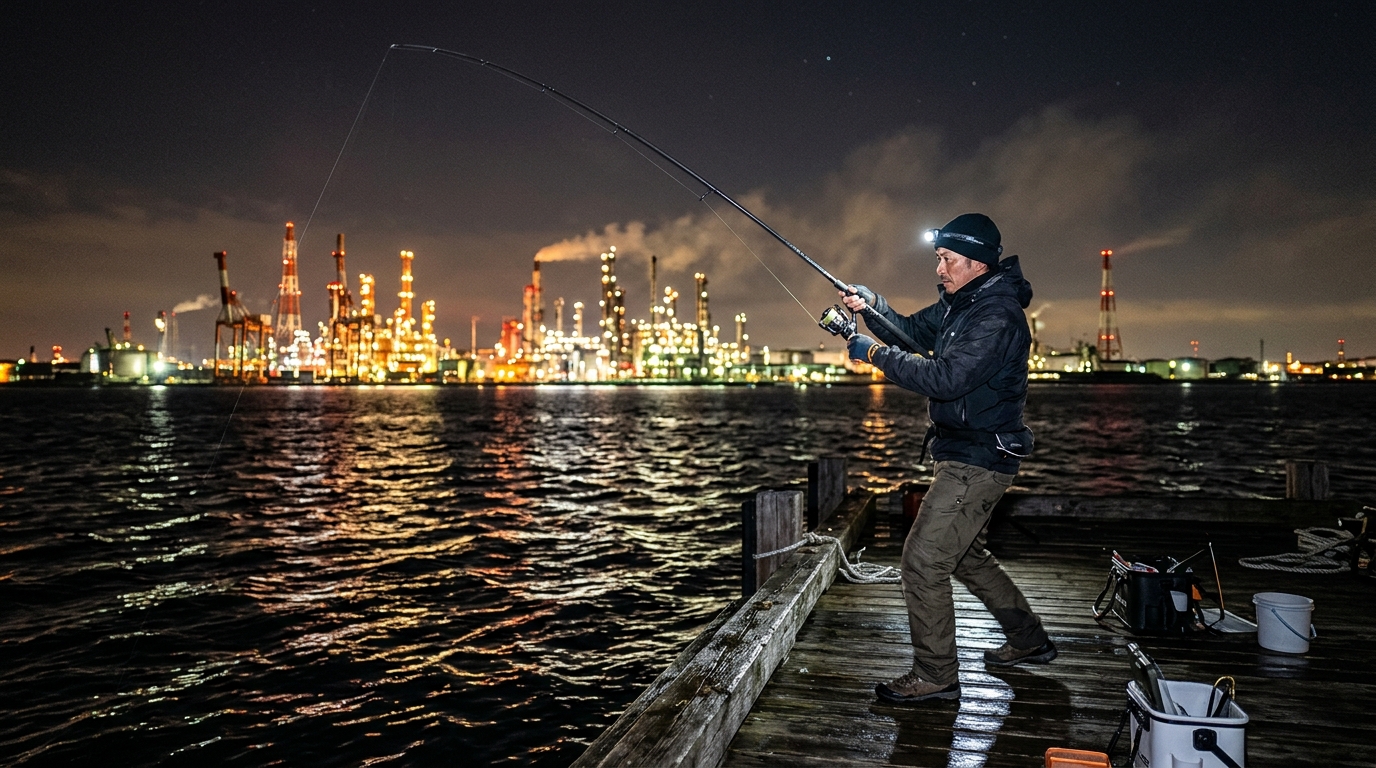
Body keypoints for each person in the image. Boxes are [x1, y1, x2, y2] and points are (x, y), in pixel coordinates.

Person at [841, 212, 1054, 705]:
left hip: (979, 458)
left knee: (921, 561)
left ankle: (936, 674)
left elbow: (946, 379)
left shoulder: (995, 316)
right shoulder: (962, 304)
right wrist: (872, 307)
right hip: (961, 449)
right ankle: (1029, 640)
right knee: (968, 557)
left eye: (946, 259)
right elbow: (912, 333)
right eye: (938, 258)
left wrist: (872, 355)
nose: (939, 269)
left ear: (976, 263)